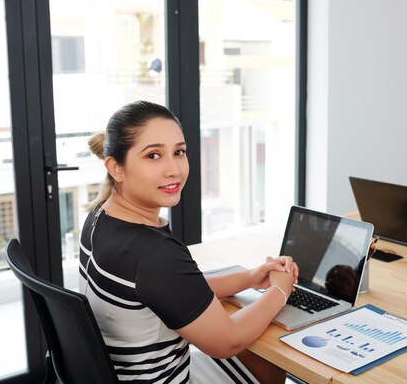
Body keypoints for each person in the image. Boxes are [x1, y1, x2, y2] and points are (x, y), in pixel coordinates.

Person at [79, 100, 298, 384]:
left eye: (179, 152)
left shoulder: (101, 216)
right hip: (166, 378)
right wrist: (280, 291)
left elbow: (175, 289)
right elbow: (226, 343)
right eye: (153, 156)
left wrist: (248, 278)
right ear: (116, 168)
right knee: (265, 358)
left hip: (130, 373)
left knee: (257, 353)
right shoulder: (153, 253)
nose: (174, 170)